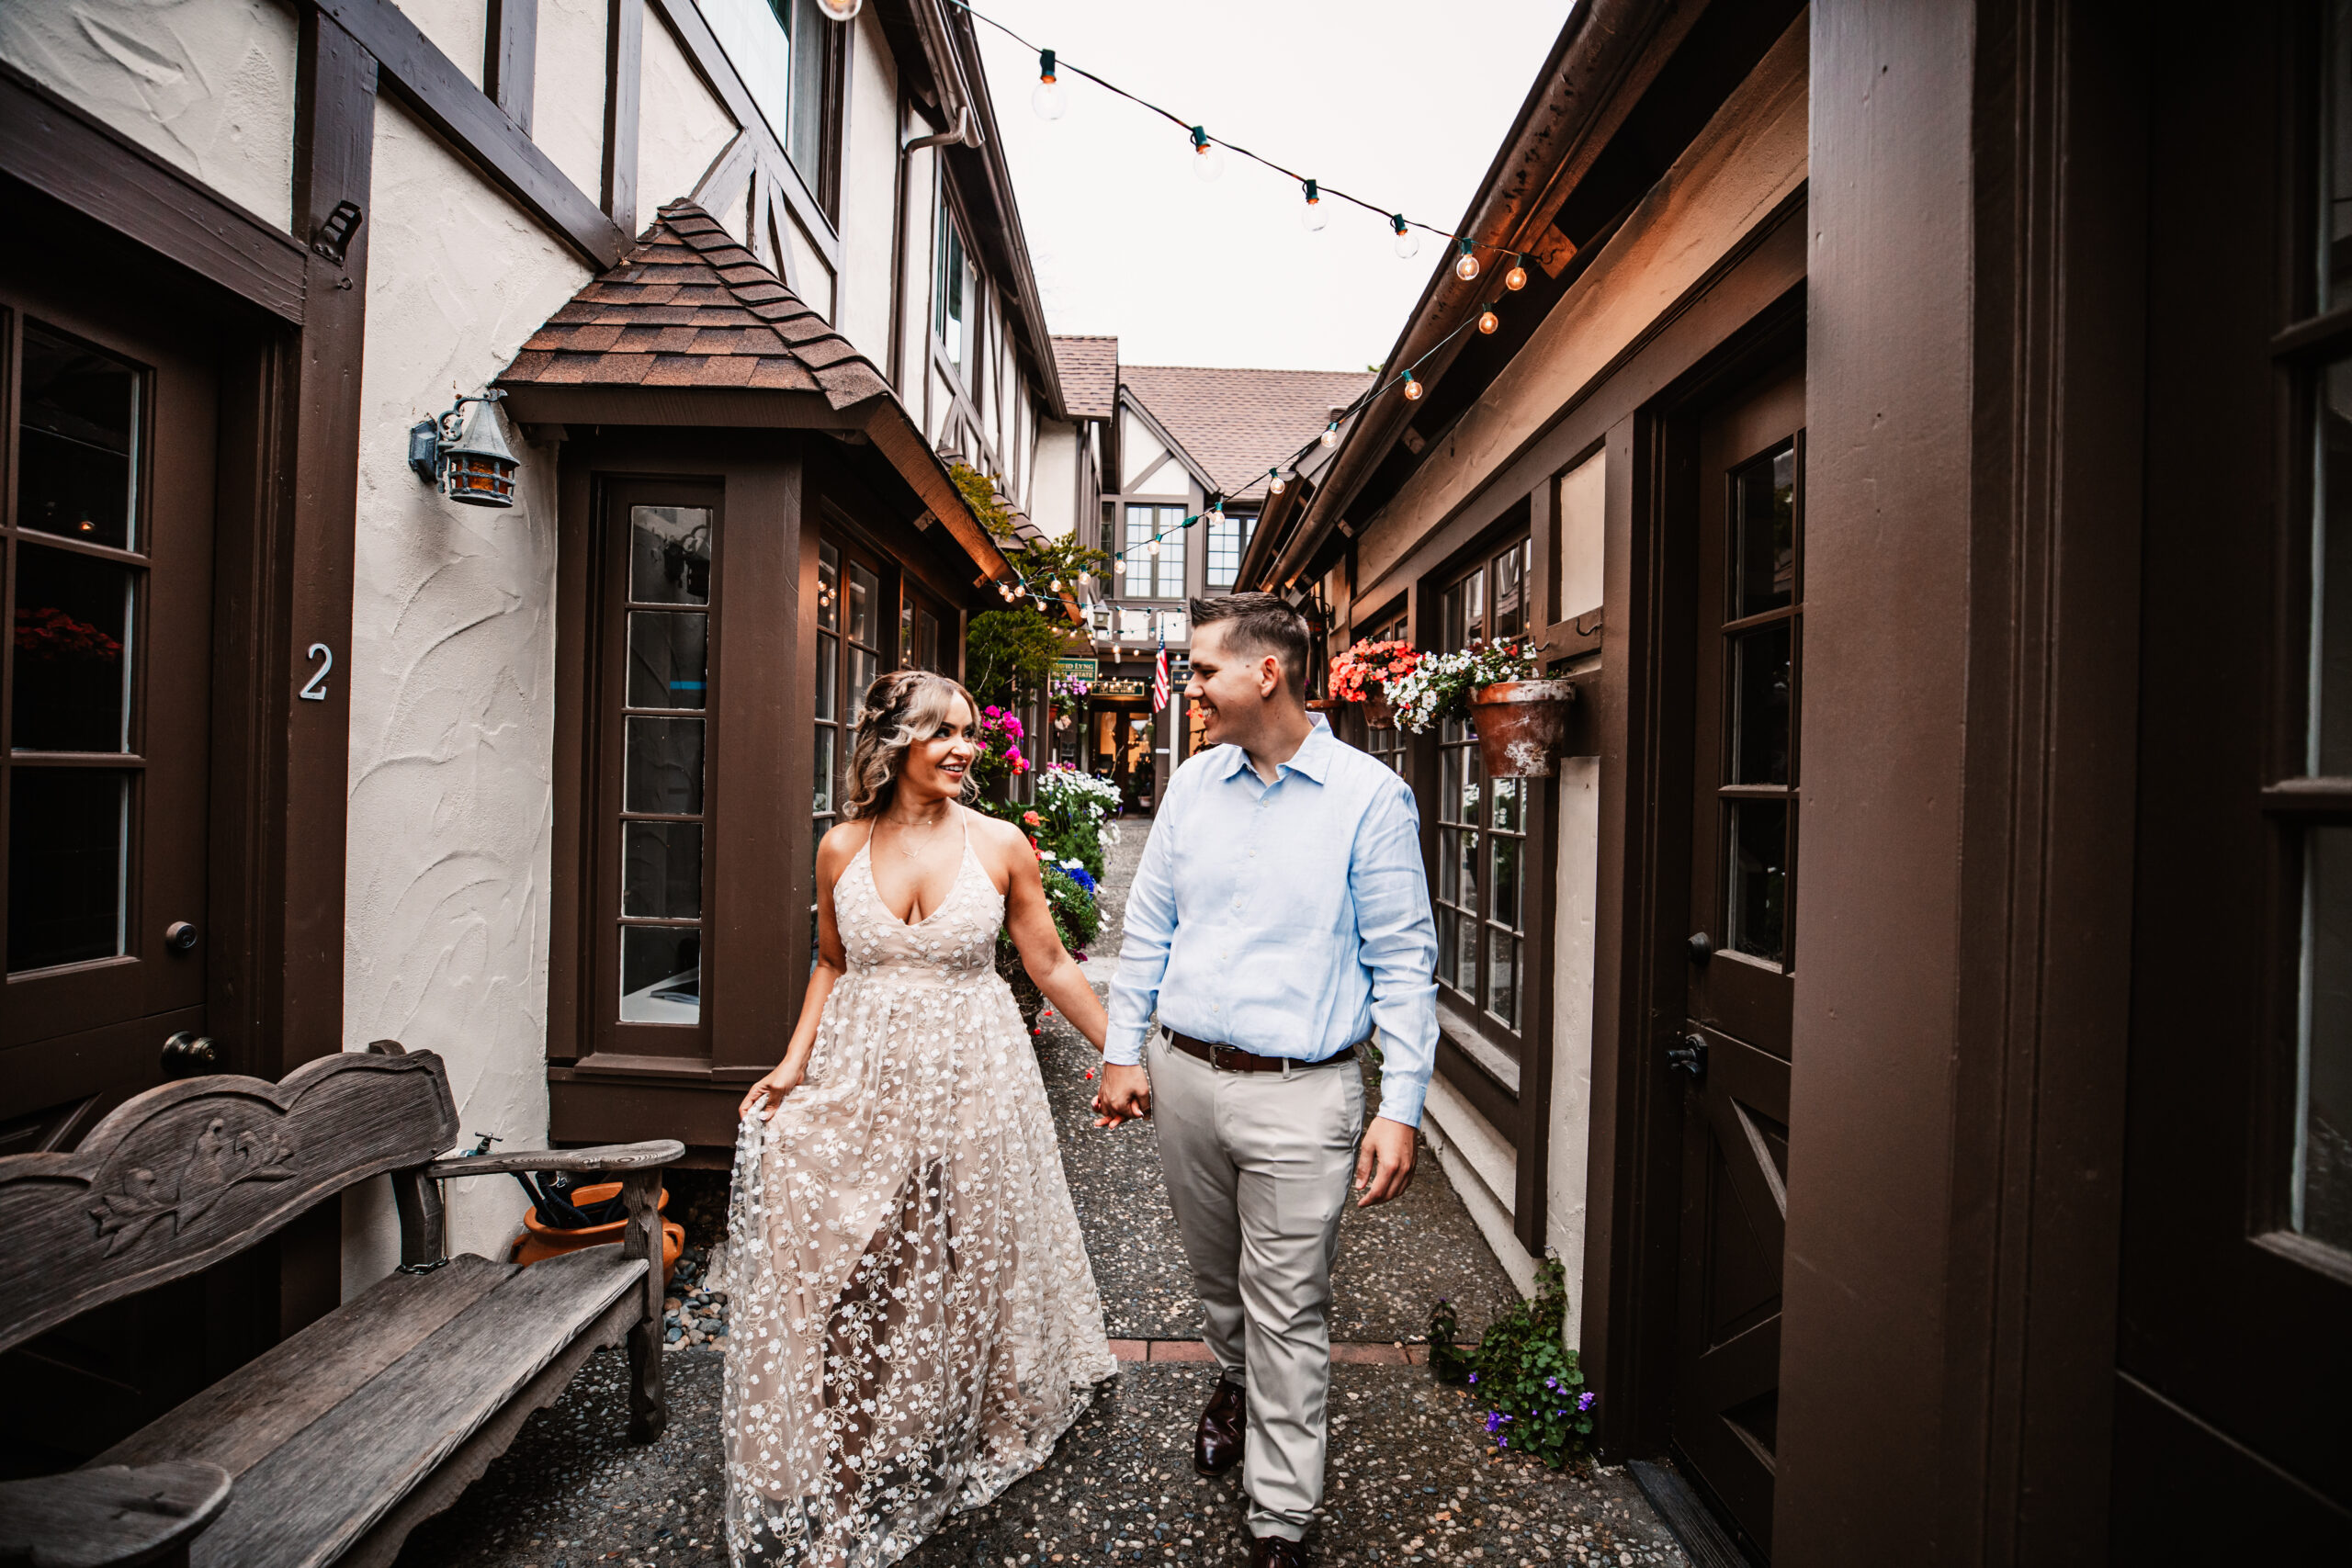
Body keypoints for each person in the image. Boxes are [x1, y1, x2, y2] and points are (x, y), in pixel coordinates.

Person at [723, 670, 1117, 1564]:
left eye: (970, 733)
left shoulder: (1001, 843)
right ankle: (857, 1434)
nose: (963, 750)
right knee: (865, 1256)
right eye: (942, 732)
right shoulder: (840, 849)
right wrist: (791, 1068)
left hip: (979, 1073)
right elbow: (829, 962)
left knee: (973, 1244)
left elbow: (1049, 963)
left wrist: (1120, 1054)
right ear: (895, 740)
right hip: (864, 1077)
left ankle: (983, 1418)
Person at [1094, 592, 1439, 1568]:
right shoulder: (1192, 788)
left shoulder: (1369, 798)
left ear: (1266, 673)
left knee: (1289, 1304)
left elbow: (1405, 964)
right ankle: (1235, 1381)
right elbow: (1149, 928)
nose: (1189, 690)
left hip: (1304, 1094)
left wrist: (1401, 1105)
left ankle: (1280, 1515)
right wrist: (1125, 1052)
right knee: (1217, 1282)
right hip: (1185, 1078)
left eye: (1202, 672)